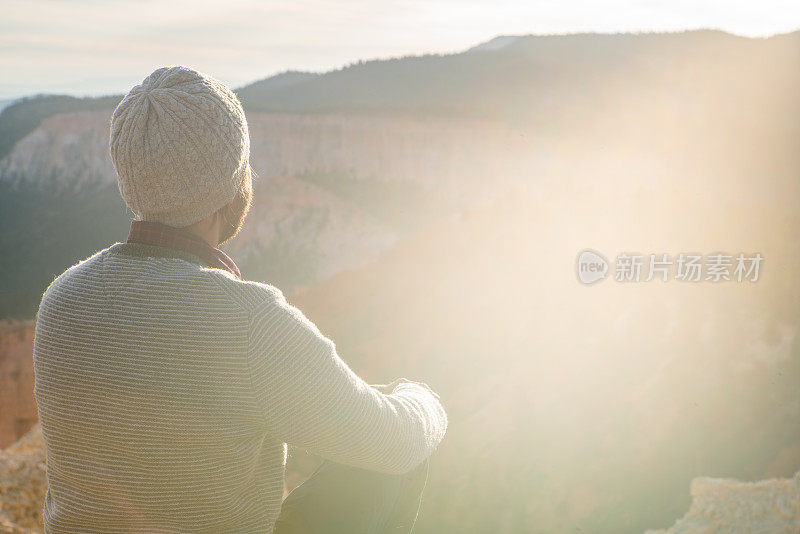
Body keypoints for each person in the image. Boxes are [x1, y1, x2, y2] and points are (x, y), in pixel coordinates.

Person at [32, 65, 448, 533]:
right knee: (395, 451)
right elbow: (392, 444)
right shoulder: (250, 322)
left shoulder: (61, 300)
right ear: (233, 187)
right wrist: (423, 397)